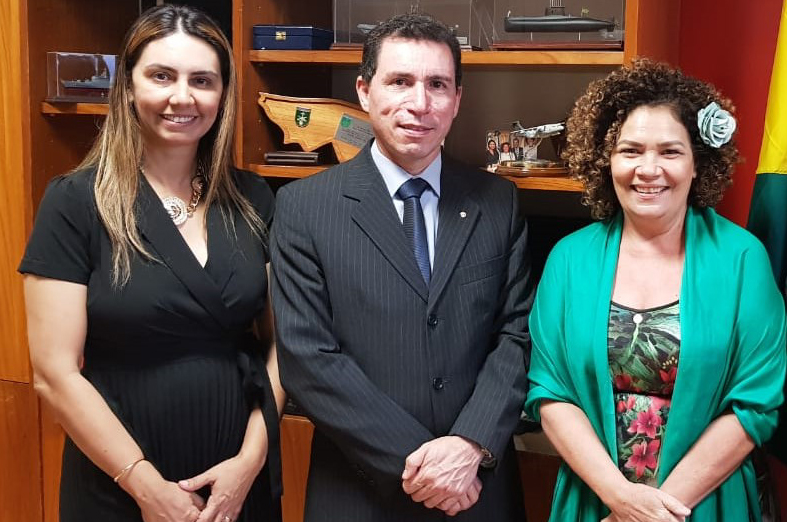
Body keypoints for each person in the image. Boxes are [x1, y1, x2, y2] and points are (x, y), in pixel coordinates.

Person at [20, 6, 284, 522]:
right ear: (127, 86)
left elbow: (284, 346)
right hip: (119, 482)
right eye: (162, 76)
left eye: (202, 80)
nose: (182, 97)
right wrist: (147, 488)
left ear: (222, 94)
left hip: (236, 484)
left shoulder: (254, 198)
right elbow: (54, 373)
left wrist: (249, 463)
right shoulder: (76, 202)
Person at [270, 13, 532, 522]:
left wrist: (469, 444)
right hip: (360, 492)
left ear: (458, 98)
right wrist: (427, 468)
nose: (420, 103)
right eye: (400, 82)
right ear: (364, 91)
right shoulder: (304, 208)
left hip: (477, 487)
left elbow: (515, 335)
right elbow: (307, 359)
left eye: (437, 85)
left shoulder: (497, 202)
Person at [524, 58, 786, 521]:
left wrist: (653, 514)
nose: (648, 169)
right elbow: (550, 392)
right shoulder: (568, 258)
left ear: (697, 163)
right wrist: (621, 501)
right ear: (606, 159)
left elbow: (755, 404)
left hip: (704, 502)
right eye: (631, 150)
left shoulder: (743, 259)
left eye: (670, 151)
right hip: (596, 501)